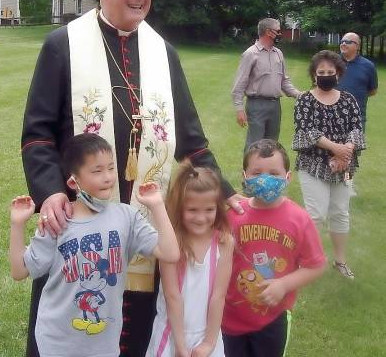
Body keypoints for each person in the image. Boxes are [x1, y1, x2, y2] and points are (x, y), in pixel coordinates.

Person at [21, 0, 241, 357]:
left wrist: (230, 197)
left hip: (141, 220)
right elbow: (38, 135)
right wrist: (49, 194)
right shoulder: (61, 46)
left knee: (132, 329)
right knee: (67, 323)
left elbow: (193, 145)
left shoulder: (164, 53)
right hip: (78, 218)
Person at [10, 133, 179, 357]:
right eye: (97, 171)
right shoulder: (58, 221)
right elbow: (20, 271)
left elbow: (170, 253)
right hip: (57, 342)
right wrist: (17, 224)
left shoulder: (127, 217)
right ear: (73, 181)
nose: (108, 177)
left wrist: (157, 206)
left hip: (104, 345)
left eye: (110, 168)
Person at [222, 139, 326, 357]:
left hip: (272, 319)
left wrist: (284, 284)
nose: (265, 179)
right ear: (244, 176)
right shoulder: (233, 215)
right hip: (228, 317)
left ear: (288, 178)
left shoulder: (299, 219)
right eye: (257, 172)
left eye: (274, 173)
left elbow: (315, 265)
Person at [146, 162, 234, 357]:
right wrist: (180, 345)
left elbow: (218, 296)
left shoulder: (224, 242)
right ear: (180, 208)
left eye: (209, 210)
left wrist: (209, 343)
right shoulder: (171, 242)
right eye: (192, 210)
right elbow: (172, 296)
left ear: (218, 208)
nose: (201, 218)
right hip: (172, 334)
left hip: (208, 334)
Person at [292, 50, 365, 279]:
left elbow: (356, 127)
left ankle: (340, 261)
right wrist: (336, 148)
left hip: (344, 164)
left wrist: (346, 152)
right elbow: (307, 132)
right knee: (315, 214)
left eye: (330, 72)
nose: (325, 75)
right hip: (313, 164)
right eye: (321, 72)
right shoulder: (305, 100)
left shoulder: (348, 99)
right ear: (314, 75)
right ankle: (307, 261)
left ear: (338, 74)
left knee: (340, 213)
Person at [231, 18, 300, 152]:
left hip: (275, 106)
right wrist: (239, 109)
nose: (281, 34)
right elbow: (239, 84)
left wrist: (300, 95)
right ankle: (250, 172)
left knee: (272, 146)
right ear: (269, 32)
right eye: (279, 31)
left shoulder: (278, 53)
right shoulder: (250, 54)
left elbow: (284, 81)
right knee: (254, 145)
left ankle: (268, 172)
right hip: (256, 105)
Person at [338, 32, 378, 131]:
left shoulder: (368, 66)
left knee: (352, 147)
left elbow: (372, 91)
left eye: (348, 42)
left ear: (358, 46)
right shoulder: (332, 62)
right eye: (342, 41)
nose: (343, 43)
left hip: (356, 119)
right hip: (331, 117)